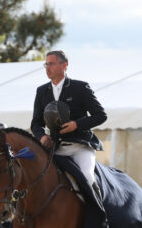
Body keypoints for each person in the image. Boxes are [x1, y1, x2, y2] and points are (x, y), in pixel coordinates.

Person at [30, 50, 107, 202]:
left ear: (64, 65)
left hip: (80, 147)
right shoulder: (41, 91)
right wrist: (42, 136)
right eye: (46, 64)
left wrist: (76, 124)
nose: (47, 68)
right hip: (55, 149)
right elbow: (36, 123)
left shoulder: (80, 87)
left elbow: (101, 115)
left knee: (87, 176)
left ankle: (100, 216)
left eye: (51, 64)